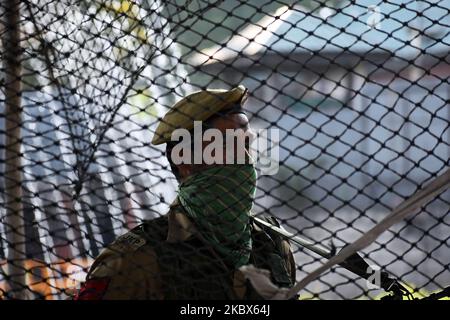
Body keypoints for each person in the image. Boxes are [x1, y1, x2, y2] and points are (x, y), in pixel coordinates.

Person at [74, 85, 296, 300]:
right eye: (227, 147)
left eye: (247, 145)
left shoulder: (271, 242)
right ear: (185, 162)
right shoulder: (136, 259)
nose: (245, 160)